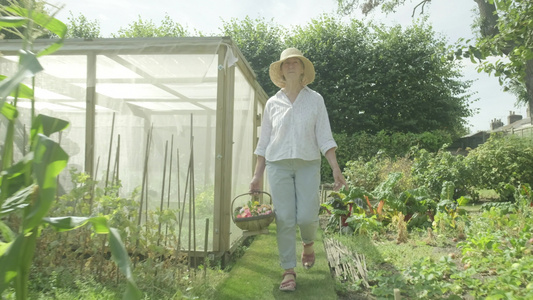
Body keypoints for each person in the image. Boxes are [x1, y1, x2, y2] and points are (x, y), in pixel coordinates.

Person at [249, 48, 346, 292]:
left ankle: (308, 242)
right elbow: (264, 142)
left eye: (296, 62)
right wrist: (256, 176)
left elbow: (324, 136)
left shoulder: (315, 99)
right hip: (278, 164)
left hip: (308, 163)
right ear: (281, 70)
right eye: (286, 63)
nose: (291, 65)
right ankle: (288, 270)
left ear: (303, 68)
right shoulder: (272, 103)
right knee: (284, 218)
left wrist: (335, 168)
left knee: (305, 216)